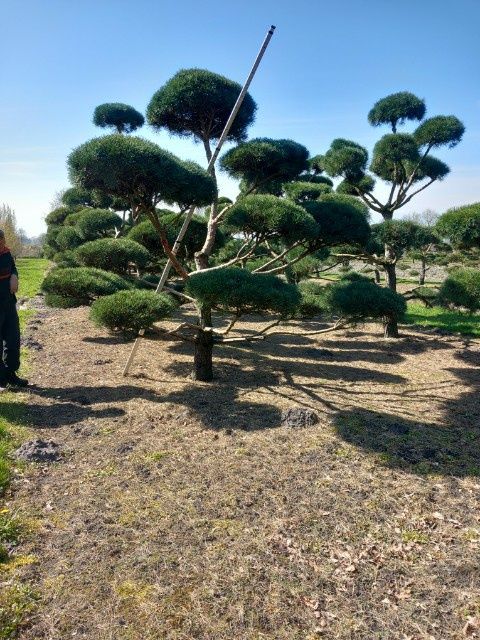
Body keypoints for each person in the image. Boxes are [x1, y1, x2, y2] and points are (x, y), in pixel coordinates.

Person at [0, 229, 28, 387]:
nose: (2, 245)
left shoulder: (6, 253)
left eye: (2, 242)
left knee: (13, 339)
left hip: (8, 303)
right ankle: (1, 378)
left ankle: (11, 373)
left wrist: (14, 275)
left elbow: (12, 267)